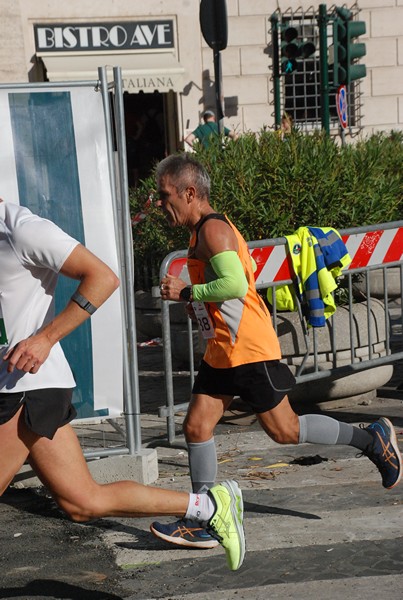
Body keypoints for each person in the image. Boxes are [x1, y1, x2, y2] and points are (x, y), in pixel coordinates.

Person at [150, 153, 402, 549]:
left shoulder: (213, 231)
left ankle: (372, 439)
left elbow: (234, 285)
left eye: (166, 197)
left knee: (286, 431)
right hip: (223, 348)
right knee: (197, 427)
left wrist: (188, 291)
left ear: (190, 192)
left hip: (248, 348)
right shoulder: (201, 232)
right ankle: (206, 518)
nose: (162, 205)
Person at [0, 199, 245, 571]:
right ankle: (210, 506)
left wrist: (44, 339)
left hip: (28, 386)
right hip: (16, 384)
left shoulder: (21, 228)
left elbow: (103, 278)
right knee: (83, 502)